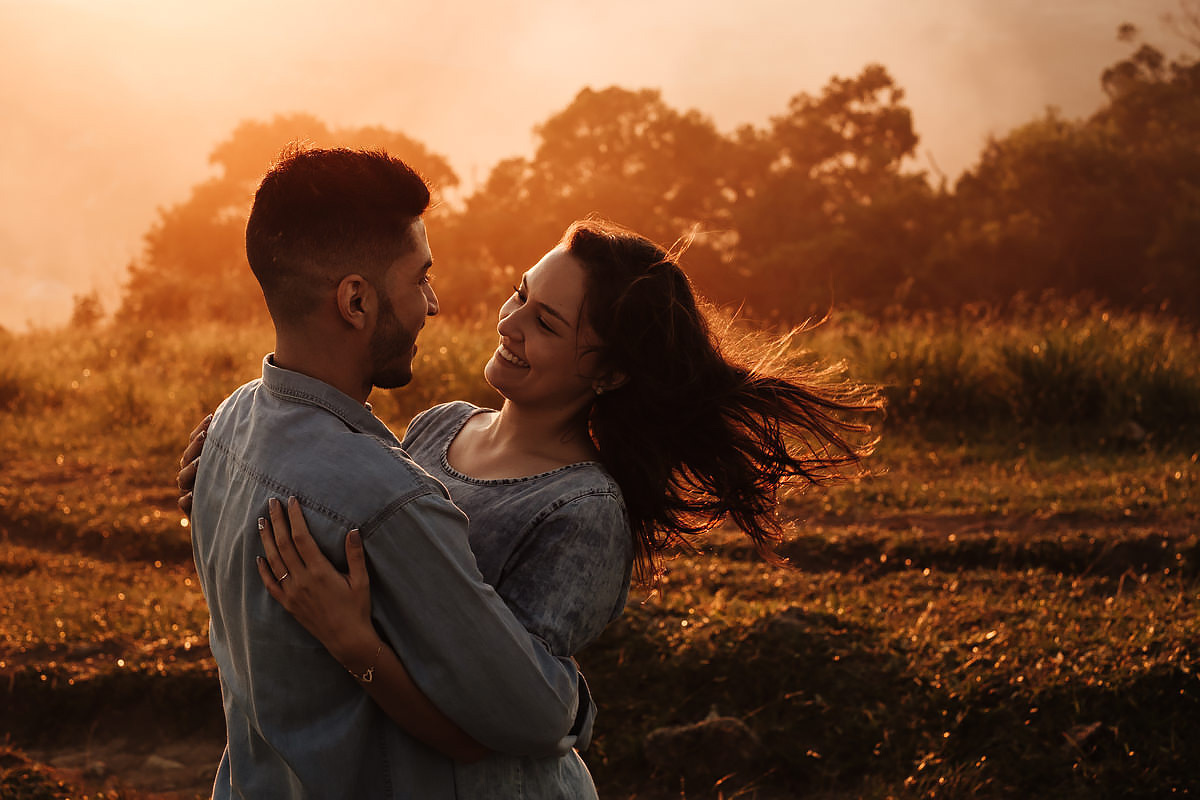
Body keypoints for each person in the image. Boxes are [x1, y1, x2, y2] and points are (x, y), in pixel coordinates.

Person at [181, 216, 882, 796]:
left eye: (545, 323)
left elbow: (489, 728)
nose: (509, 323)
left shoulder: (582, 510)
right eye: (520, 296)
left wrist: (355, 645)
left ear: (607, 371)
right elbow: (359, 520)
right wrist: (241, 460)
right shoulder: (439, 425)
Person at [186, 146, 593, 799]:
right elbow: (536, 714)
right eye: (420, 278)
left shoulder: (228, 427)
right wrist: (576, 705)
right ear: (355, 301)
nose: (431, 304)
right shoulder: (385, 502)